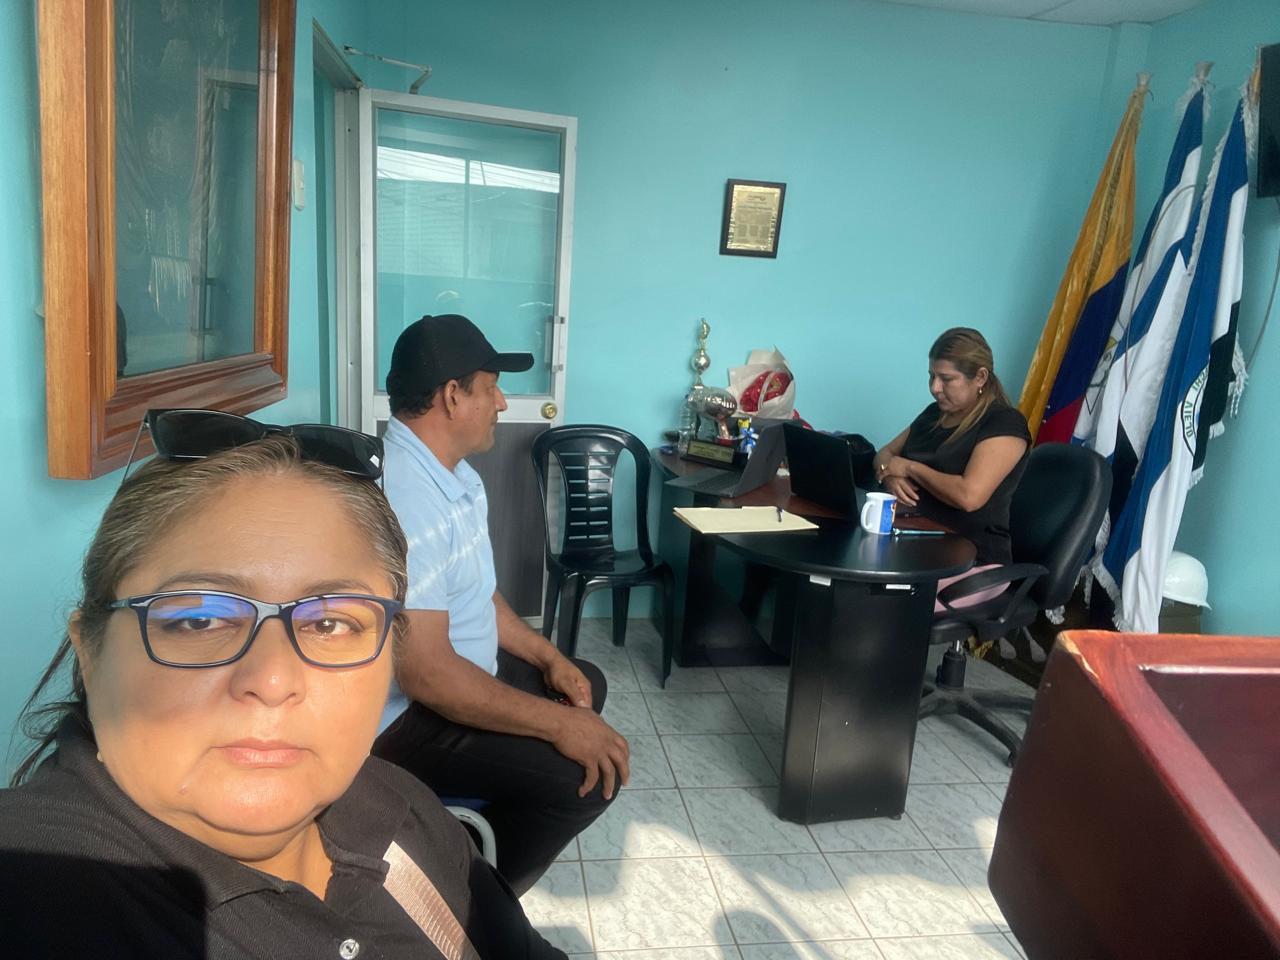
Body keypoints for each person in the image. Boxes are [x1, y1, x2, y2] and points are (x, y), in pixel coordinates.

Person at [0, 422, 564, 959]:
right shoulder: (37, 884)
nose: (272, 680)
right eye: (199, 619)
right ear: (90, 653)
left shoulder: (399, 804)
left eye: (330, 622)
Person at [373, 314, 629, 897]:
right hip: (405, 722)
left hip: (456, 675)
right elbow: (427, 674)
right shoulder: (407, 499)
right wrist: (559, 726)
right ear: (452, 396)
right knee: (585, 775)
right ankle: (476, 906)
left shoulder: (453, 476)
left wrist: (547, 657)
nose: (502, 402)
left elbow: (478, 593)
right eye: (490, 388)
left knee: (582, 682)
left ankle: (471, 837)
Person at [872, 328, 1031, 608]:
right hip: (916, 546)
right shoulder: (933, 414)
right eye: (931, 376)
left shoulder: (1004, 423)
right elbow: (883, 454)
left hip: (972, 562)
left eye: (946, 379)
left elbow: (969, 496)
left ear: (980, 377)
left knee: (875, 607)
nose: (935, 387)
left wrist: (909, 468)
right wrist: (890, 477)